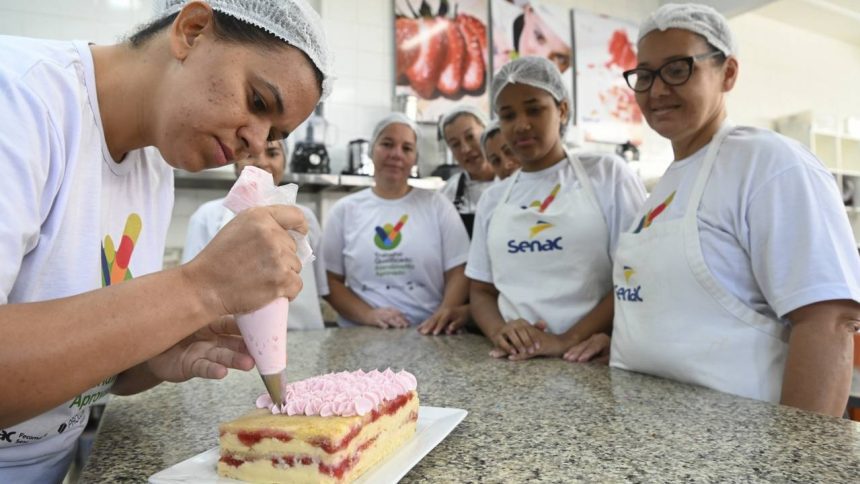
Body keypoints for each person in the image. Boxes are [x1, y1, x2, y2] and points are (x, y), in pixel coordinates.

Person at [0, 0, 331, 480]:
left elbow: (92, 371)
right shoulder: (20, 97)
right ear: (193, 31)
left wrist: (154, 355)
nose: (256, 146)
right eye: (258, 102)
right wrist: (201, 288)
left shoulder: (154, 166)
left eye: (275, 134)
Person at [610, 3, 860, 416]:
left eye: (677, 69)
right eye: (645, 75)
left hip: (739, 447)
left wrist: (797, 462)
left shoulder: (768, 162)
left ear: (727, 73)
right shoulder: (665, 185)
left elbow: (829, 320)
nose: (656, 91)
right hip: (650, 434)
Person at [466, 56, 646, 362]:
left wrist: (565, 340)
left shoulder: (607, 174)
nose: (521, 125)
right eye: (508, 115)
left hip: (587, 358)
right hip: (515, 365)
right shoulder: (494, 199)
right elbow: (481, 291)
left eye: (534, 109)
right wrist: (501, 332)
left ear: (562, 110)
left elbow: (636, 272)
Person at [323, 113, 471, 335]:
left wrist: (443, 314)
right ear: (372, 149)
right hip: (362, 333)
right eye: (387, 144)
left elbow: (458, 270)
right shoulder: (345, 210)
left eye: (407, 148)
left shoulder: (437, 205)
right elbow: (330, 280)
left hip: (427, 333)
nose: (396, 154)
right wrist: (368, 315)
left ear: (415, 158)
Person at [183, 140, 329, 330]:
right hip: (235, 339)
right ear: (235, 164)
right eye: (250, 154)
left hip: (305, 336)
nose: (262, 162)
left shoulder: (305, 217)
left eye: (273, 153)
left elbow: (319, 286)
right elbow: (193, 288)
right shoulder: (207, 216)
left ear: (284, 162)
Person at [438, 106, 496, 237]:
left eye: (470, 137)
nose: (465, 149)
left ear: (487, 131)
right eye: (455, 144)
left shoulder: (514, 183)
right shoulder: (447, 195)